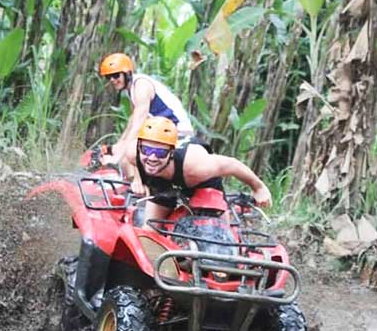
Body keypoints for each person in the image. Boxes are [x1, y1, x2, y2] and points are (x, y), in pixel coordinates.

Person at [126, 117, 271, 227]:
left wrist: (259, 188)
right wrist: (137, 180)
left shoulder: (196, 165)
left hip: (201, 182)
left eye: (160, 152)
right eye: (147, 150)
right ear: (139, 147)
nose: (151, 157)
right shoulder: (133, 154)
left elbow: (231, 164)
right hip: (162, 181)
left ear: (171, 152)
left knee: (219, 235)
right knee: (150, 230)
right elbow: (136, 163)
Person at [98, 53, 194, 163]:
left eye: (116, 75)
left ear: (127, 73)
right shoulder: (132, 89)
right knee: (124, 149)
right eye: (108, 77)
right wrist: (118, 146)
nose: (112, 80)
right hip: (162, 133)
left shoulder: (141, 86)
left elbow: (138, 126)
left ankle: (131, 179)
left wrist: (115, 159)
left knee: (131, 152)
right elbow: (132, 121)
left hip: (179, 134)